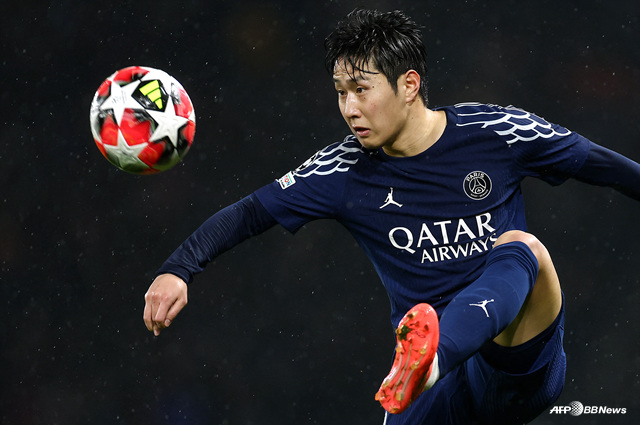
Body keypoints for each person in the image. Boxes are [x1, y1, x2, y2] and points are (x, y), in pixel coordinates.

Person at [143, 9, 640, 425]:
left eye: (361, 89)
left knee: (522, 248)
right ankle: (425, 366)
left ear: (409, 84)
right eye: (340, 92)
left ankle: (433, 358)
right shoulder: (342, 169)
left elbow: (603, 165)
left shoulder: (497, 132)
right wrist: (178, 267)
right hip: (427, 395)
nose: (349, 108)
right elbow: (251, 212)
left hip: (513, 364)